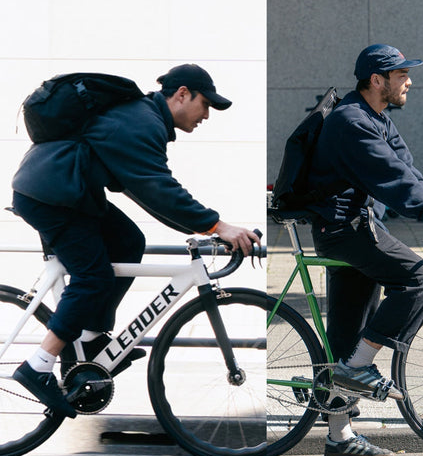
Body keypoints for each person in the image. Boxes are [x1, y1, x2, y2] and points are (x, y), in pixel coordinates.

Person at [10, 64, 261, 419]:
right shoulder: (140, 123)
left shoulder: (143, 119)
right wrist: (218, 226)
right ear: (182, 94)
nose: (206, 115)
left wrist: (205, 226)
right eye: (205, 104)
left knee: (129, 240)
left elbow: (148, 192)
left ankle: (93, 335)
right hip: (51, 198)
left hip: (67, 192)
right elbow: (158, 189)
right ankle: (38, 364)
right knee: (92, 276)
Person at [306, 44, 423, 456]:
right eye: (401, 75)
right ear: (376, 80)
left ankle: (339, 437)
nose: (409, 82)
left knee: (348, 333)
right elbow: (390, 176)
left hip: (353, 228)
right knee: (419, 277)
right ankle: (358, 368)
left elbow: (408, 169)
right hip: (346, 229)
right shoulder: (352, 121)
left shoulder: (375, 118)